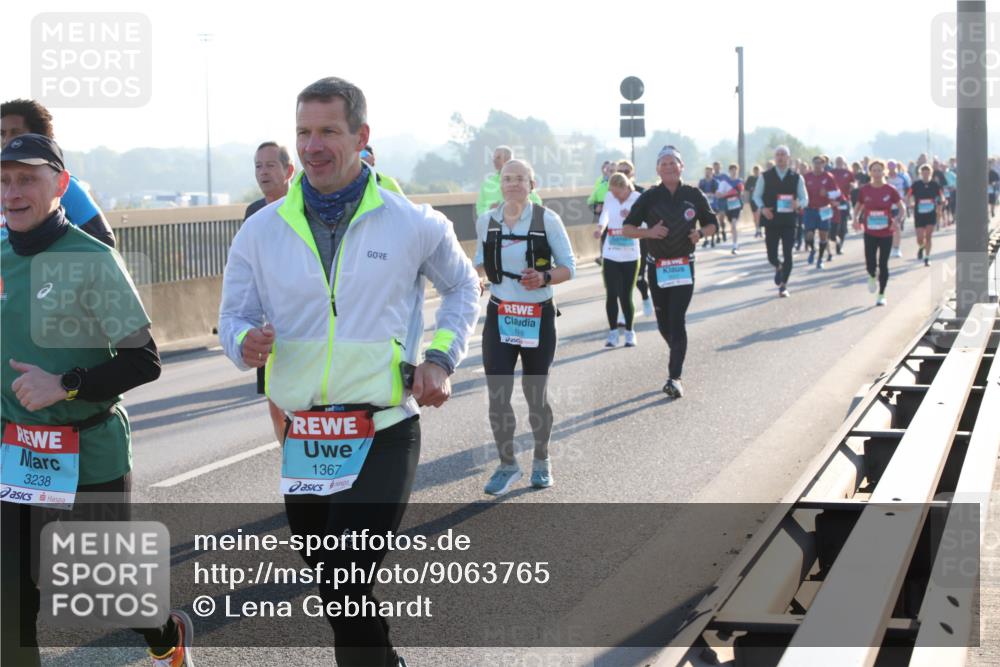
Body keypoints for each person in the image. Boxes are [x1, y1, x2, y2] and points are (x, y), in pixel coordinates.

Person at [218, 77, 480, 667]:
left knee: (343, 571)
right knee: (337, 590)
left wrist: (439, 358)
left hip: (383, 426)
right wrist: (244, 341)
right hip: (305, 438)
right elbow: (231, 318)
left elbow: (464, 287)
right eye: (304, 132)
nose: (313, 146)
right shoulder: (261, 230)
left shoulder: (410, 221)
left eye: (328, 131)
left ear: (361, 137)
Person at [0, 134, 193, 667]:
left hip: (89, 448)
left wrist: (64, 383)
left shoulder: (93, 259)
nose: (13, 192)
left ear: (60, 185)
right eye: (5, 180)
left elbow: (144, 360)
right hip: (18, 453)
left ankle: (164, 633)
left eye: (28, 179)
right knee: (11, 598)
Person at [475, 159, 575, 495]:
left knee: (535, 395)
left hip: (538, 316)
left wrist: (545, 277)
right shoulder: (486, 220)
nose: (513, 184)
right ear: (499, 184)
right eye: (507, 178)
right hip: (501, 313)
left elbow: (569, 267)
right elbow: (479, 262)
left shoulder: (548, 219)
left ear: (532, 184)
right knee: (498, 396)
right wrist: (474, 278)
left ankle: (542, 459)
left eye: (520, 178)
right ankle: (507, 464)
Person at [622, 146, 716, 398]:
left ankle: (674, 377)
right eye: (663, 164)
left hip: (684, 265)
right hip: (657, 267)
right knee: (664, 323)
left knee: (677, 319)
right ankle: (677, 349)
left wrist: (699, 233)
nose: (669, 167)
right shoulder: (650, 196)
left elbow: (712, 223)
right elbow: (627, 228)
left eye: (673, 163)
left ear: (681, 166)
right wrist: (649, 233)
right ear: (657, 169)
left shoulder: (693, 194)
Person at [1, 98, 115, 247]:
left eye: (16, 133)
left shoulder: (63, 185)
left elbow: (104, 239)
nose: (6, 140)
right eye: (2, 134)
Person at [243, 141, 297, 444]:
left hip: (300, 316)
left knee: (300, 398)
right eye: (258, 166)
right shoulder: (253, 213)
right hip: (266, 321)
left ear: (289, 170)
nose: (263, 172)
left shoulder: (305, 206)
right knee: (273, 398)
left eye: (270, 165)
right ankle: (289, 457)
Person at [753, 145, 808, 298]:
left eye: (783, 154)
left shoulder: (797, 177)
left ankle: (783, 285)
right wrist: (763, 209)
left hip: (789, 220)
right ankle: (778, 266)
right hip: (771, 219)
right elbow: (756, 196)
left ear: (788, 158)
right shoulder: (765, 176)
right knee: (771, 255)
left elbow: (805, 198)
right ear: (774, 157)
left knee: (788, 254)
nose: (780, 157)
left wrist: (799, 204)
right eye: (778, 154)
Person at [595, 172, 642, 347]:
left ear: (625, 187)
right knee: (611, 294)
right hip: (611, 253)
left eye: (616, 192)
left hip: (630, 254)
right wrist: (600, 228)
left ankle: (630, 332)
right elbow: (605, 214)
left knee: (625, 295)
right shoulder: (609, 196)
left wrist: (630, 216)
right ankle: (613, 333)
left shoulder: (638, 198)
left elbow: (645, 224)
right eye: (612, 193)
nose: (614, 195)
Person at [854, 159, 905, 306]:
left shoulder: (890, 190)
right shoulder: (865, 190)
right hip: (870, 231)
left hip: (886, 232)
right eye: (874, 170)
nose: (877, 173)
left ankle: (882, 294)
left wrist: (897, 220)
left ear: (884, 172)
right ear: (870, 172)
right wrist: (856, 218)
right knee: (870, 262)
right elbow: (858, 206)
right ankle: (871, 275)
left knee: (883, 264)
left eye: (879, 170)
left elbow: (902, 208)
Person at [616, 159, 653, 317]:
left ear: (632, 174)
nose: (623, 174)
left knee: (638, 278)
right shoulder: (611, 194)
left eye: (626, 172)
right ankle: (623, 313)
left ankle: (645, 298)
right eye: (620, 172)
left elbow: (650, 216)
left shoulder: (642, 193)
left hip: (639, 240)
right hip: (618, 242)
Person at [476, 145, 541, 216]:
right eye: (493, 158)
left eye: (498, 158)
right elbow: (479, 208)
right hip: (493, 224)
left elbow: (536, 203)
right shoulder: (487, 183)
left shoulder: (523, 182)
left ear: (509, 158)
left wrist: (517, 209)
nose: (494, 160)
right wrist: (490, 210)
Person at [802, 155, 842, 269]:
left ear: (824, 164)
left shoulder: (829, 177)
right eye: (815, 162)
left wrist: (828, 194)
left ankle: (820, 259)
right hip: (810, 209)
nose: (817, 165)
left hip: (824, 209)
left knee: (823, 236)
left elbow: (837, 192)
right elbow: (800, 191)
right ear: (812, 164)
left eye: (820, 163)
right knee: (809, 235)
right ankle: (813, 250)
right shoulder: (807, 177)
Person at [910, 164, 943, 267]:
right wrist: (911, 202)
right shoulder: (916, 184)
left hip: (931, 213)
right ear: (921, 173)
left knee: (928, 236)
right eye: (923, 173)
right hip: (919, 213)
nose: (925, 174)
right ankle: (921, 247)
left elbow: (941, 195)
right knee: (920, 238)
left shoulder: (935, 185)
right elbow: (909, 196)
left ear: (930, 173)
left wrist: (941, 202)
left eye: (927, 172)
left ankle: (927, 258)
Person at [715, 163, 744, 254]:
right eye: (732, 170)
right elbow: (718, 194)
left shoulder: (740, 181)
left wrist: (727, 194)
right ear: (729, 171)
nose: (733, 172)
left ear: (737, 171)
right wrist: (722, 194)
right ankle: (735, 242)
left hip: (736, 206)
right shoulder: (724, 182)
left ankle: (734, 245)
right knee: (732, 225)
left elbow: (739, 191)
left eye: (735, 170)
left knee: (734, 224)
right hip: (728, 206)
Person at [829, 156, 856, 256]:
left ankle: (839, 247)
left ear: (844, 162)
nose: (839, 163)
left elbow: (854, 184)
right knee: (833, 225)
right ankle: (834, 240)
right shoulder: (831, 173)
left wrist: (853, 186)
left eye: (841, 161)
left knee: (842, 225)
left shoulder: (848, 173)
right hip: (832, 202)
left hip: (844, 202)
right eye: (837, 161)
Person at [886, 160, 910, 258]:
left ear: (896, 167)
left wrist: (906, 199)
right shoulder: (885, 178)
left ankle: (896, 248)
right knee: (889, 228)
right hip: (887, 206)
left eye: (893, 167)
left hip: (899, 206)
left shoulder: (902, 177)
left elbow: (909, 190)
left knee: (897, 226)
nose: (891, 170)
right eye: (889, 168)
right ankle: (891, 246)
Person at [697, 166, 719, 248]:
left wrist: (711, 194)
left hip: (713, 205)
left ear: (712, 172)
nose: (707, 173)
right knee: (703, 222)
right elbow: (698, 192)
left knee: (712, 222)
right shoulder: (702, 182)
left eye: (709, 171)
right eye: (706, 171)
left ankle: (713, 239)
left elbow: (717, 193)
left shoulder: (715, 182)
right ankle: (706, 240)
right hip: (704, 205)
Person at [745, 164, 762, 238]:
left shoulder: (761, 178)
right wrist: (751, 188)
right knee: (755, 216)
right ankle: (757, 229)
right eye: (755, 170)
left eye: (757, 170)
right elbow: (746, 188)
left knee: (759, 214)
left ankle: (760, 229)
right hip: (752, 199)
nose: (756, 172)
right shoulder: (750, 178)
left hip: (760, 199)